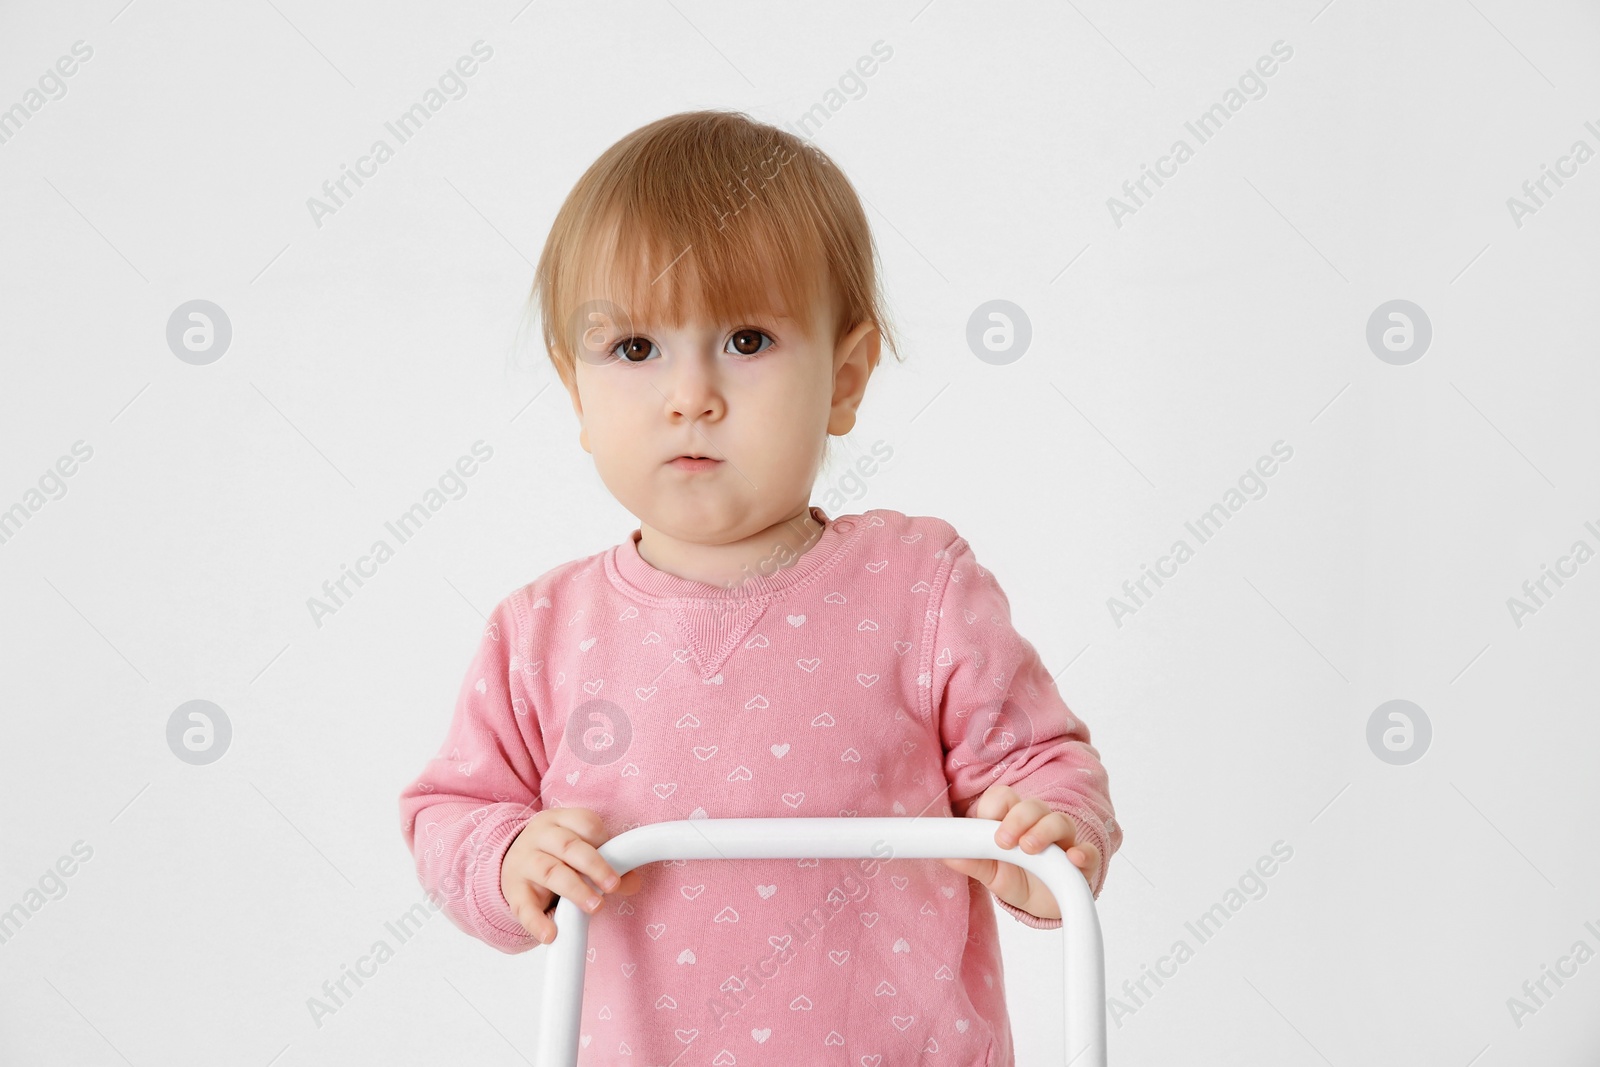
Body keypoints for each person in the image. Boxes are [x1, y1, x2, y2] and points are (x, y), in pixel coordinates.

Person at [398, 108, 1122, 1066]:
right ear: (575, 391)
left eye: (746, 340)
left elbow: (1041, 764)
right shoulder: (541, 631)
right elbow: (449, 810)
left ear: (845, 379)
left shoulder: (919, 589)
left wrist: (1046, 834)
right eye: (634, 349)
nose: (690, 393)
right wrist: (503, 857)